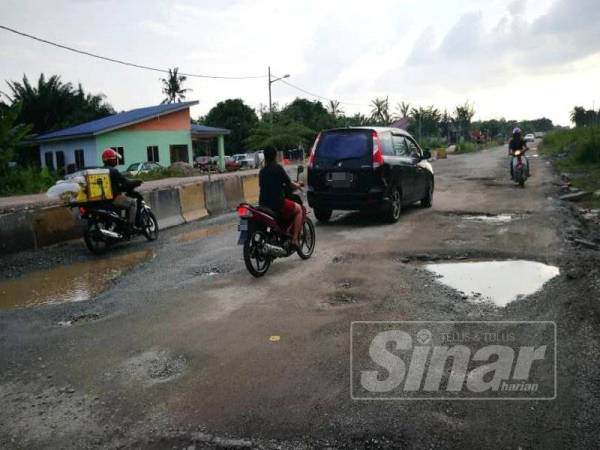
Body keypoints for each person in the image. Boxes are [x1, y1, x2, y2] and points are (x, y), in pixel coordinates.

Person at [259, 147, 303, 248]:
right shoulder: (277, 168)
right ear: (275, 156)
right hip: (277, 204)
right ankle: (295, 239)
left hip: (263, 205)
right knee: (299, 209)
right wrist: (298, 185)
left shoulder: (262, 172)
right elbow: (289, 183)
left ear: (265, 157)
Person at [101, 148, 138, 227]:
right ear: (110, 160)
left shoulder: (101, 170)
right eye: (114, 159)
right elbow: (125, 182)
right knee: (133, 203)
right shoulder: (113, 170)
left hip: (103, 200)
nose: (116, 161)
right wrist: (137, 182)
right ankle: (130, 226)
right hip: (113, 198)